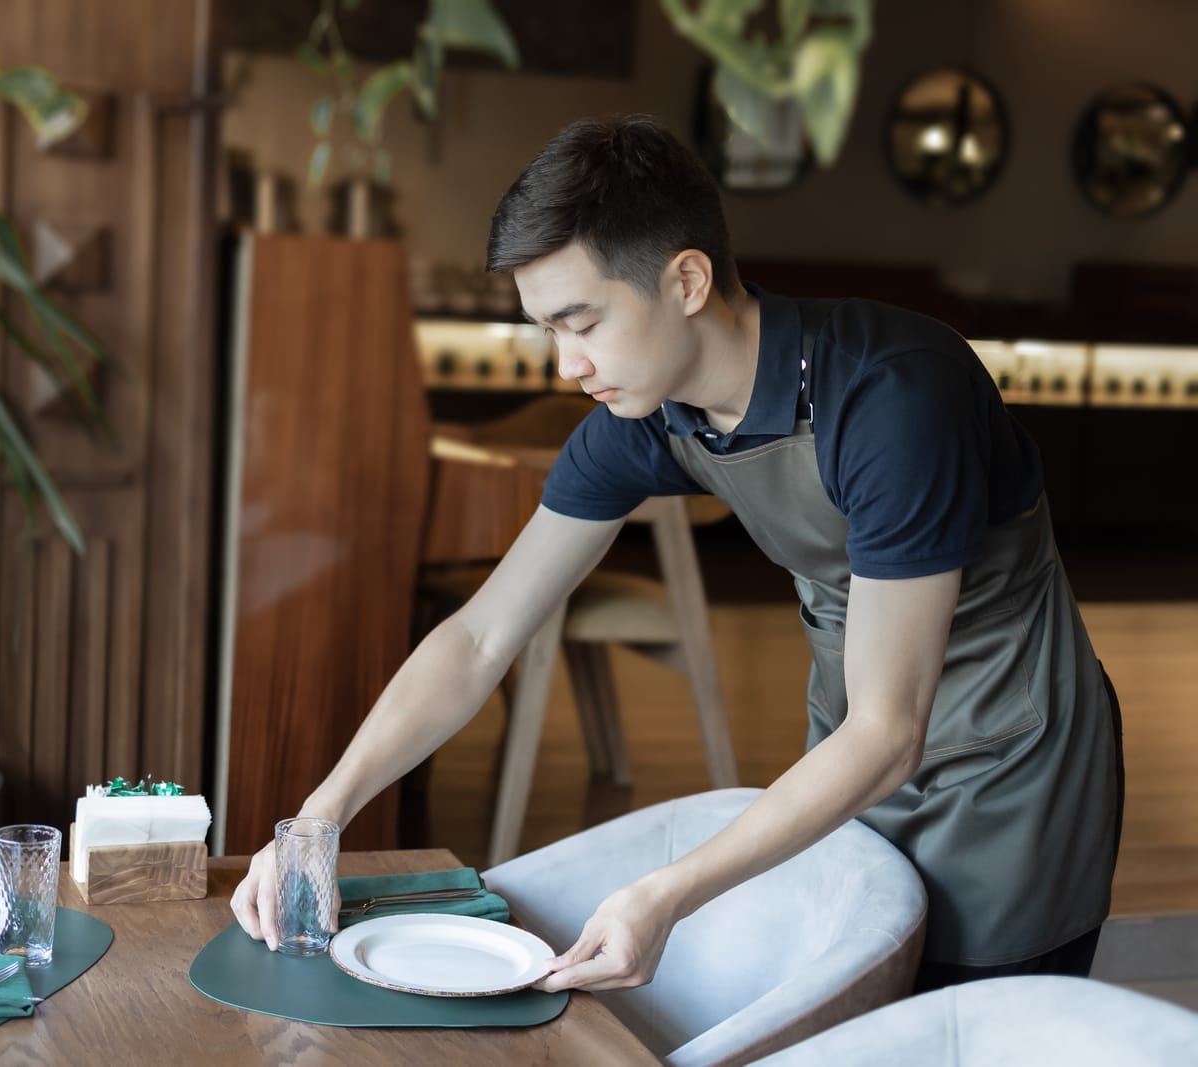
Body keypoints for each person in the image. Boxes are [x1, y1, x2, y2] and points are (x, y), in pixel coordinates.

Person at [230, 114, 1124, 995]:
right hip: (853, 744)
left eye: (580, 320)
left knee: (963, 1019)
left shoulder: (893, 398)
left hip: (1011, 762)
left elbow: (892, 729)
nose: (564, 365)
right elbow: (477, 639)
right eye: (545, 329)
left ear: (688, 279)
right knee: (853, 1003)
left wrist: (668, 892)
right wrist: (317, 820)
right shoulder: (645, 419)